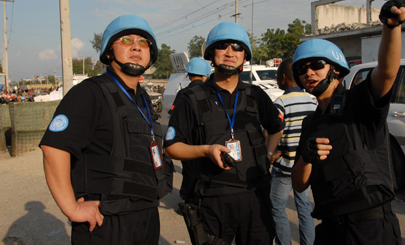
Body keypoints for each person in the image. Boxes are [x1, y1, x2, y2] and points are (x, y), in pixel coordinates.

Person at [291, 0, 405, 245]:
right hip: (330, 229)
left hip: (370, 228)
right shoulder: (310, 122)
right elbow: (299, 184)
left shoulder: (359, 102)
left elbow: (387, 72)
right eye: (302, 69)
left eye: (317, 65)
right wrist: (306, 158)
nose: (309, 73)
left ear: (337, 70)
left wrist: (391, 27)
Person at [40, 14, 173, 245]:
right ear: (109, 52)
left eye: (143, 42)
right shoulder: (90, 93)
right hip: (107, 222)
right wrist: (72, 208)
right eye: (125, 40)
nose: (136, 46)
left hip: (145, 217)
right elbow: (54, 148)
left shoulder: (141, 98)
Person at [164, 21, 284, 245]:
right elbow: (171, 147)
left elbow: (276, 128)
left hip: (255, 198)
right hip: (212, 201)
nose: (230, 53)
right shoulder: (192, 98)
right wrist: (206, 150)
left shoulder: (256, 95)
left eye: (237, 47)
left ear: (245, 56)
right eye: (223, 46)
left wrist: (267, 155)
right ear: (211, 53)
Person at [268, 58, 316, 245]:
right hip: (304, 167)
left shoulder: (280, 103)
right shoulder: (312, 102)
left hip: (284, 168)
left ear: (283, 78)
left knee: (277, 208)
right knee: (304, 208)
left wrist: (271, 154)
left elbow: (276, 132)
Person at [168, 57, 211, 203]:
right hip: (207, 141)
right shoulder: (211, 93)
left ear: (188, 75)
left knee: (189, 172)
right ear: (205, 75)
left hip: (187, 144)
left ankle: (188, 201)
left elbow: (172, 113)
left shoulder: (183, 94)